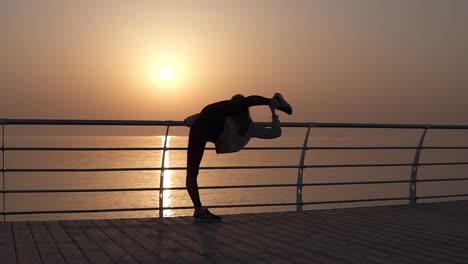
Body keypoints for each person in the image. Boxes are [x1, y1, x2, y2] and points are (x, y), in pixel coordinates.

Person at [184, 93, 292, 222]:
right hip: (204, 126)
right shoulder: (237, 121)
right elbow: (274, 132)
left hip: (204, 124)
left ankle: (199, 210)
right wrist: (272, 108)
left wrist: (273, 113)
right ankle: (199, 211)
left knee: (192, 173)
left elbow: (275, 133)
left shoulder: (249, 127)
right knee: (191, 173)